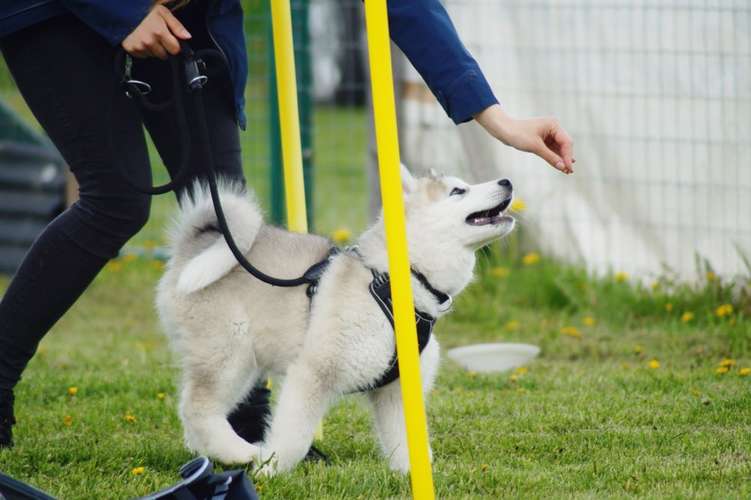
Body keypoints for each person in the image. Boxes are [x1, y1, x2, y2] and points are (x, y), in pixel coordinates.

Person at [0, 0, 575, 450]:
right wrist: (121, 12)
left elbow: (406, 8)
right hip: (58, 14)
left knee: (227, 221)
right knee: (118, 198)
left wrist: (495, 118)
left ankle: (249, 426)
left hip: (190, 20)